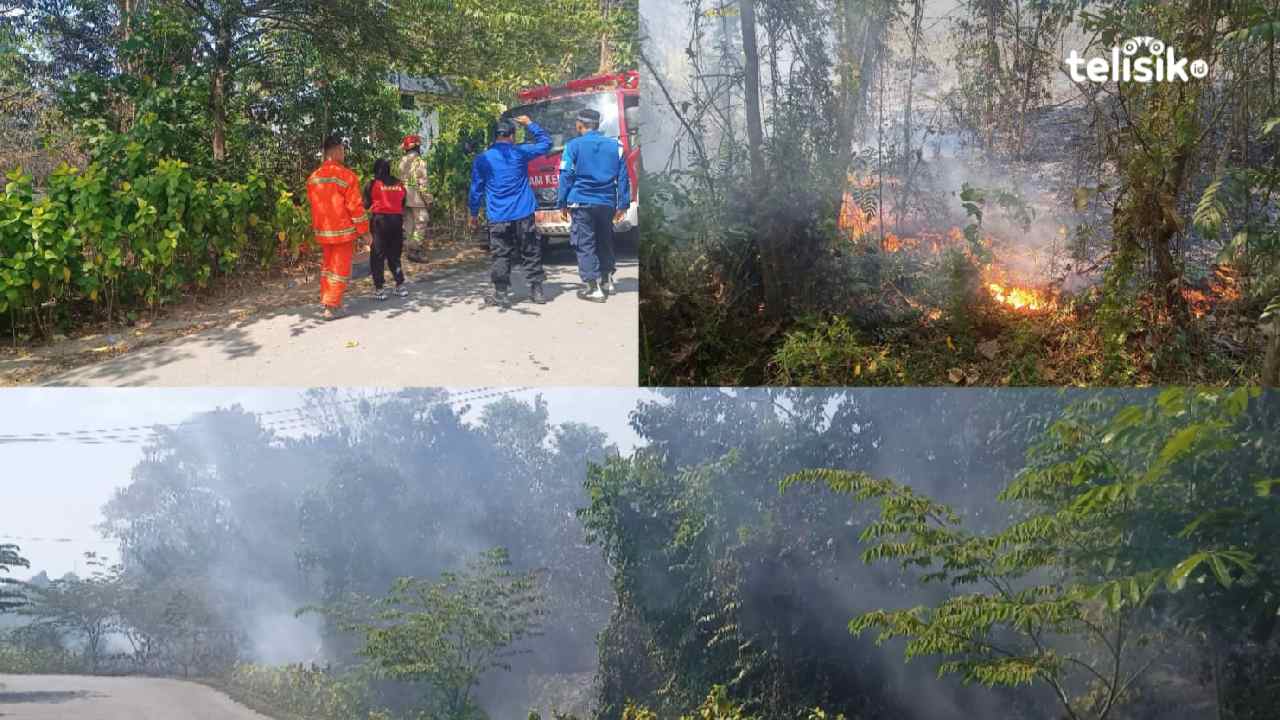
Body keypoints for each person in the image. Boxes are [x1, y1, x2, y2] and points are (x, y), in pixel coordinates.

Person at [468, 115, 552, 307]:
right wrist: (530, 123)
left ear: (494, 136)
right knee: (530, 250)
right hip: (523, 212)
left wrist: (473, 214)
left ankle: (501, 293)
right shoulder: (520, 152)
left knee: (500, 254)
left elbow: (476, 189)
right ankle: (537, 291)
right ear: (512, 136)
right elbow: (546, 143)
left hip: (498, 215)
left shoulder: (483, 159)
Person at [556, 107, 631, 302]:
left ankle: (593, 287)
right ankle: (607, 280)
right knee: (604, 240)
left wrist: (562, 202)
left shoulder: (573, 146)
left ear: (580, 125)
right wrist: (623, 204)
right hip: (607, 203)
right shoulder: (616, 146)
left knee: (585, 243)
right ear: (597, 125)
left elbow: (566, 176)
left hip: (581, 201)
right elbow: (624, 177)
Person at [306, 135, 371, 320]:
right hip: (342, 232)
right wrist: (365, 232)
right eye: (342, 150)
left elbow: (315, 204)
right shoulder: (346, 176)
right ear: (334, 151)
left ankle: (327, 300)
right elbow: (355, 208)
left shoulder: (314, 178)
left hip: (323, 231)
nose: (343, 154)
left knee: (328, 267)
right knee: (339, 269)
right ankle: (332, 306)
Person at [363, 158, 408, 300]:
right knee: (394, 255)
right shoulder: (400, 184)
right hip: (396, 222)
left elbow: (364, 204)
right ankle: (400, 285)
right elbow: (403, 203)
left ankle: (380, 289)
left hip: (379, 222)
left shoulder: (372, 184)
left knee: (377, 255)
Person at [399, 135, 432, 262]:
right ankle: (414, 249)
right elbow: (423, 184)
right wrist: (428, 199)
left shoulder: (401, 161)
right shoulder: (419, 162)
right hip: (417, 199)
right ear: (417, 146)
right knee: (421, 223)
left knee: (408, 224)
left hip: (404, 198)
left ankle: (408, 248)